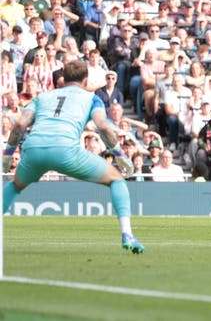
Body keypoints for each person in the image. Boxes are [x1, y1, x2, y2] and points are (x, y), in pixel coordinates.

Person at [2, 60, 144, 253]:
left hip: (33, 148)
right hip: (66, 150)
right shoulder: (92, 98)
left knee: (16, 186)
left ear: (64, 79)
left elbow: (19, 126)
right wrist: (120, 156)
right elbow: (103, 127)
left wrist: (7, 156)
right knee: (117, 180)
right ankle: (127, 234)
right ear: (85, 80)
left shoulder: (43, 97)